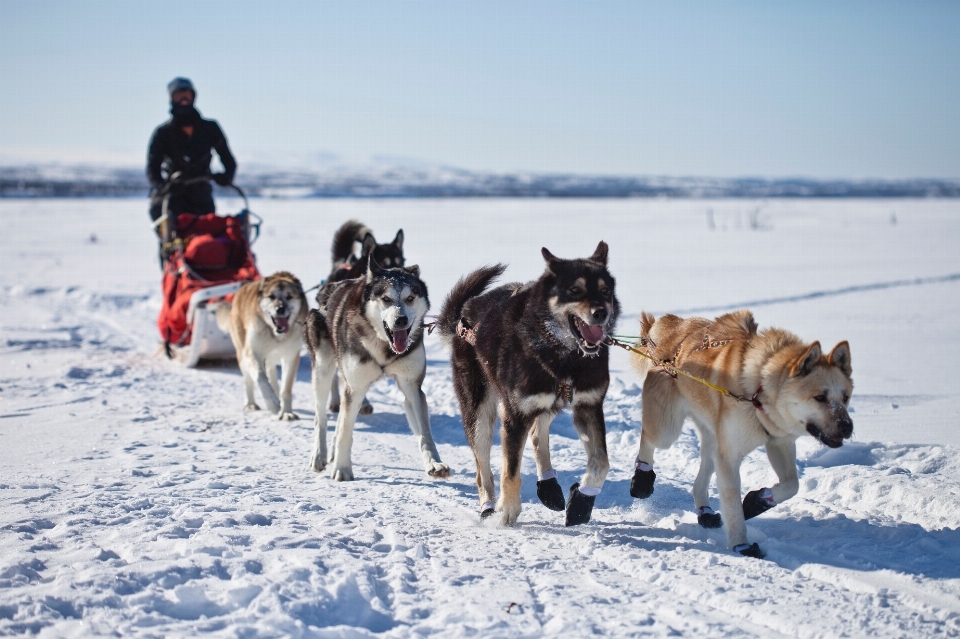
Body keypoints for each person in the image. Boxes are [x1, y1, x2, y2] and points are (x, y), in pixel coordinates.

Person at [147, 78, 236, 222]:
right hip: (173, 199)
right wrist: (164, 186)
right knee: (173, 241)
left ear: (194, 97)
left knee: (206, 240)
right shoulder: (163, 133)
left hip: (202, 199)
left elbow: (228, 160)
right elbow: (152, 168)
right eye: (178, 96)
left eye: (187, 95)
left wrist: (227, 176)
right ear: (171, 99)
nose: (183, 100)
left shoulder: (210, 128)